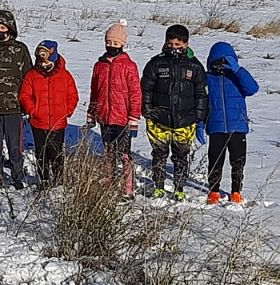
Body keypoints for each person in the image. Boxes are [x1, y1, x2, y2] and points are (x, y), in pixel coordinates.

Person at [141, 24, 208, 201]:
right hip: (158, 120)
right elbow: (146, 89)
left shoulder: (194, 66)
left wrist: (199, 117)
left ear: (186, 44)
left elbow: (201, 93)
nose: (174, 48)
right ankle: (158, 186)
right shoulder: (156, 63)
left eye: (178, 45)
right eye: (170, 44)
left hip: (185, 121)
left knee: (181, 157)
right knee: (159, 155)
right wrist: (147, 109)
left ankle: (179, 188)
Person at [198, 42, 259, 205]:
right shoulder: (207, 78)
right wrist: (200, 123)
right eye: (217, 61)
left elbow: (252, 88)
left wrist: (237, 70)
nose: (221, 65)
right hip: (216, 126)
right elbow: (202, 103)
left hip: (237, 126)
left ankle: (236, 191)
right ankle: (214, 191)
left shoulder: (237, 77)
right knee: (215, 161)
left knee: (238, 161)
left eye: (225, 60)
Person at [87, 20, 142, 198]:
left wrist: (134, 118)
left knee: (124, 154)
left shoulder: (129, 66)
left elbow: (135, 93)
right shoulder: (99, 65)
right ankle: (108, 181)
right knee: (108, 151)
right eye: (109, 42)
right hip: (105, 116)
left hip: (122, 118)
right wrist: (92, 113)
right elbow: (94, 91)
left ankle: (128, 188)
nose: (112, 46)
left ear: (122, 45)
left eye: (116, 43)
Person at [0, 10, 33, 190]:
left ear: (10, 28)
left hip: (14, 108)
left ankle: (18, 176)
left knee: (15, 147)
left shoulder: (20, 49)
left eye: (3, 27)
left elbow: (28, 78)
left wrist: (28, 104)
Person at [20, 41, 79, 187]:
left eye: (47, 62)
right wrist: (33, 110)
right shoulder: (32, 75)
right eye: (41, 62)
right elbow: (24, 95)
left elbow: (73, 96)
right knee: (41, 154)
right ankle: (44, 180)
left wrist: (66, 111)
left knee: (56, 153)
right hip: (38, 123)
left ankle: (59, 181)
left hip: (58, 123)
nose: (44, 65)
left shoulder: (65, 76)